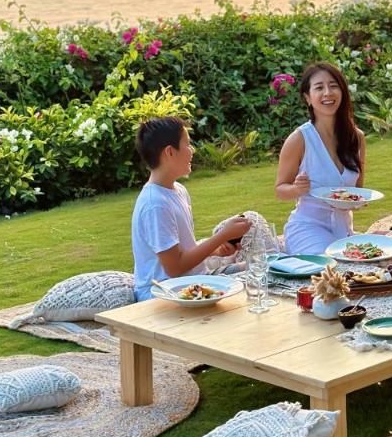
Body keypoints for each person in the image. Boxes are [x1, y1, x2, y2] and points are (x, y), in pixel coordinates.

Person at [131, 117, 250, 302]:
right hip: (164, 294)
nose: (192, 151)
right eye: (187, 144)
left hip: (193, 283)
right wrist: (223, 235)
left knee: (259, 268)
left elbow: (183, 251)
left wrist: (216, 250)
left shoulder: (178, 191)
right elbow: (175, 267)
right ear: (170, 152)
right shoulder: (155, 204)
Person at [275, 62, 366, 254]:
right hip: (307, 229)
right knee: (332, 268)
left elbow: (358, 191)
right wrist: (297, 189)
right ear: (308, 98)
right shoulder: (299, 139)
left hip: (344, 231)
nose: (328, 93)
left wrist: (358, 201)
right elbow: (280, 190)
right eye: (319, 87)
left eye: (333, 86)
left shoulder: (356, 138)